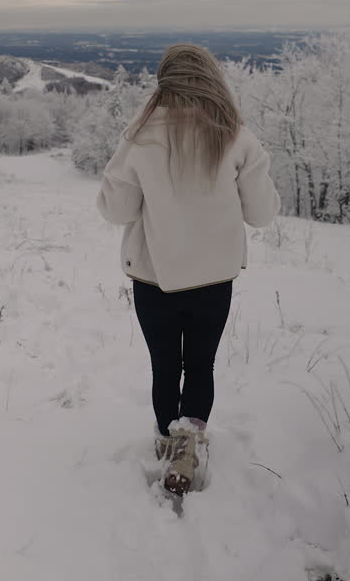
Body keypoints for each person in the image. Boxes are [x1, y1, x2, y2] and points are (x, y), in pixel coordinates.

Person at [96, 43, 281, 496]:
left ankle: (168, 440)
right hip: (213, 279)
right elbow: (261, 213)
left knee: (165, 366)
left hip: (154, 277)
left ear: (164, 81)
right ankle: (189, 441)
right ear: (211, 78)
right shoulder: (236, 136)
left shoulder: (138, 137)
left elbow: (117, 210)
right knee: (201, 365)